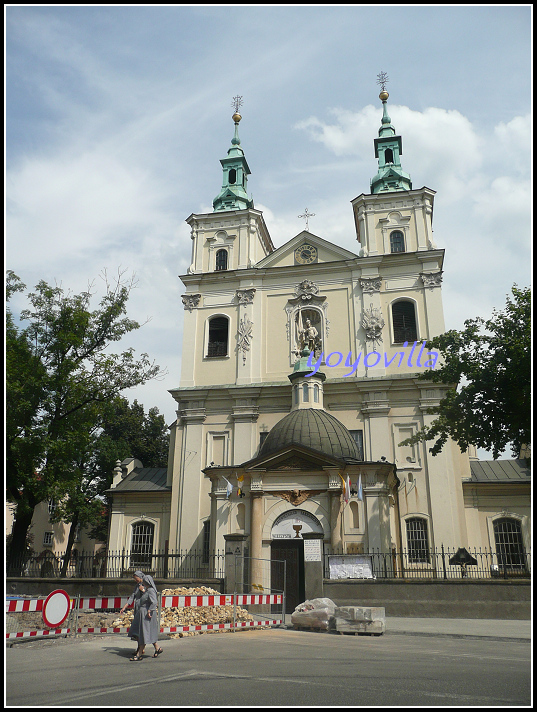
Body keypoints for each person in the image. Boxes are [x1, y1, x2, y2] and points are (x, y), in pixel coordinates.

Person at [120, 571, 163, 661]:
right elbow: (133, 597)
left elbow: (152, 600)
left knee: (145, 631)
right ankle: (156, 648)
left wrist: (149, 610)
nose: (136, 580)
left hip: (145, 612)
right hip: (140, 611)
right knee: (143, 631)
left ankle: (140, 651)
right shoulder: (138, 586)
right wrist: (125, 607)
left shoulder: (148, 589)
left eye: (137, 578)